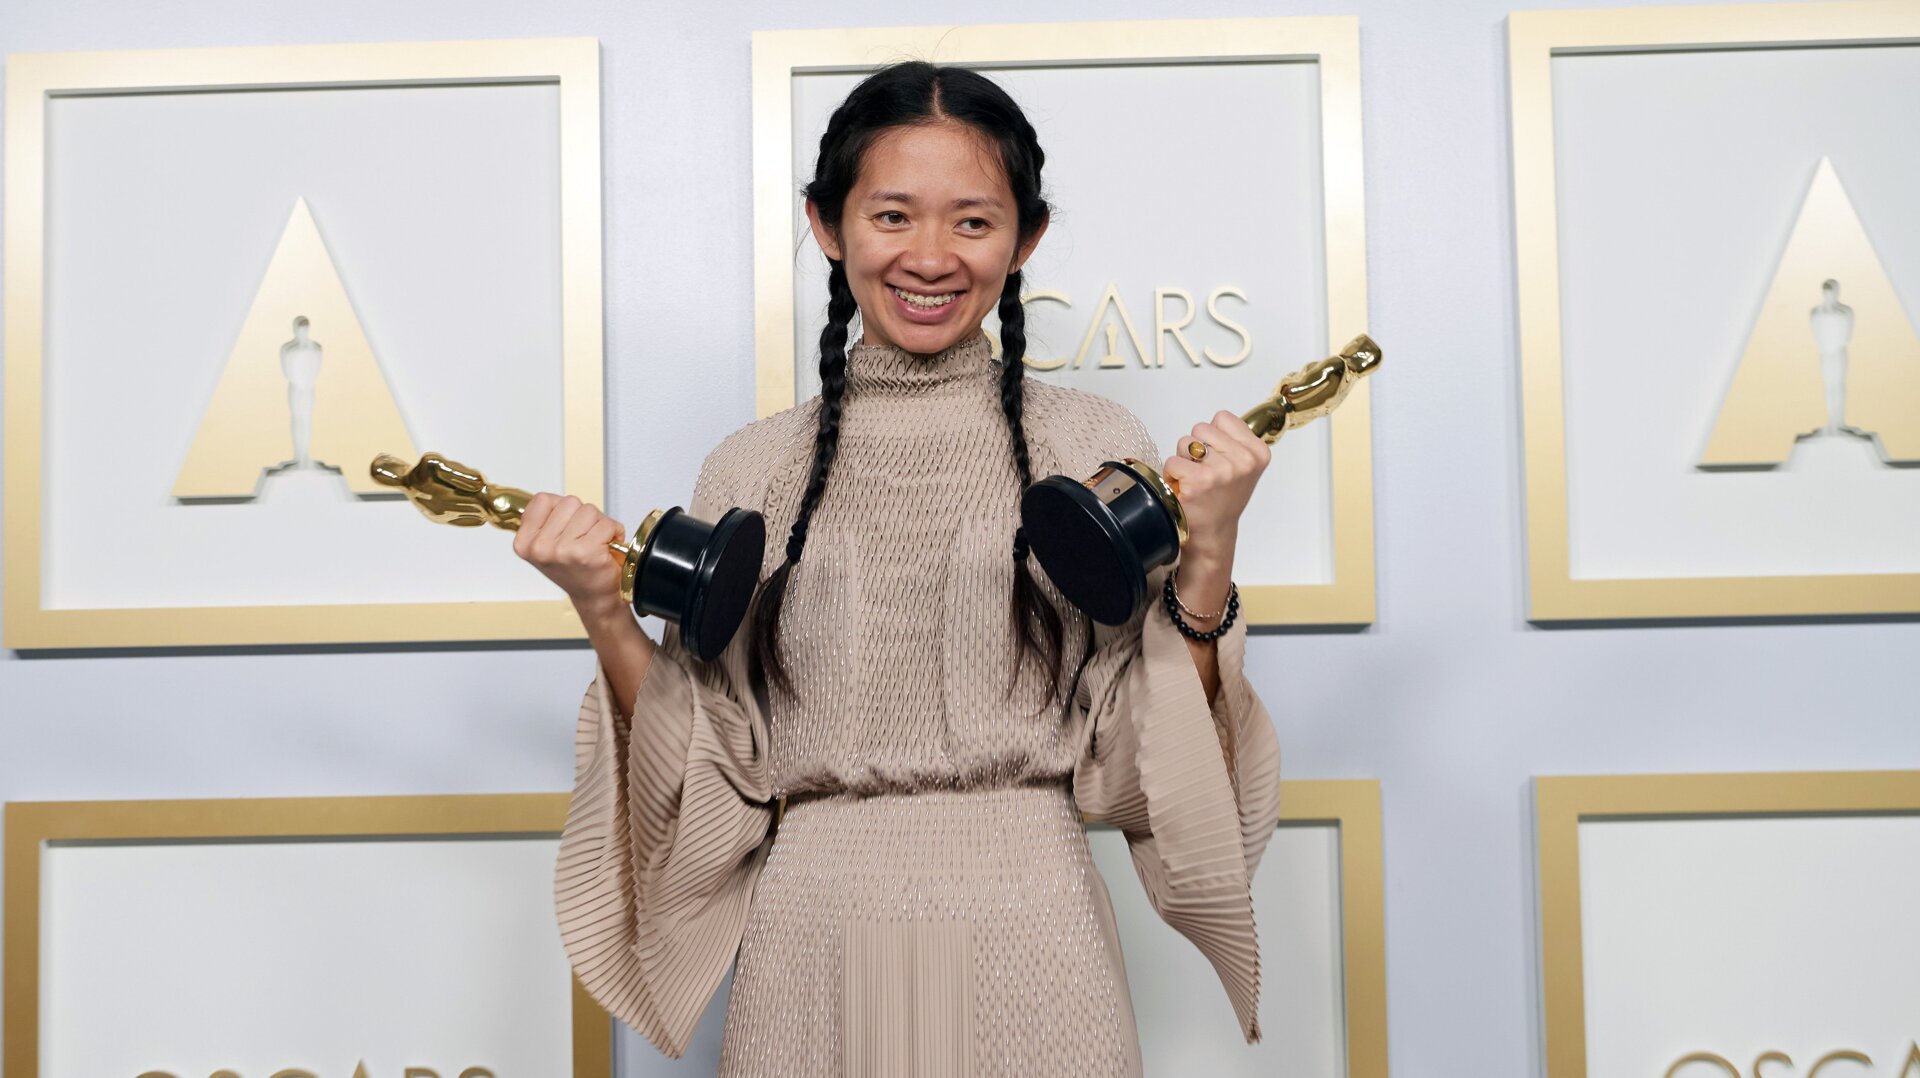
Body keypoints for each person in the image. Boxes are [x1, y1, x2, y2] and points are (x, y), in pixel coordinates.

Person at [515, 61, 1282, 1076]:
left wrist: (1212, 549)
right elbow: (701, 757)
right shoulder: (747, 467)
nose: (931, 257)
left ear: (1027, 238)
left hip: (1033, 929)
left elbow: (1158, 761)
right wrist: (603, 608)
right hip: (813, 940)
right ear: (826, 226)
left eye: (973, 221)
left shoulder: (1095, 445)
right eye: (891, 216)